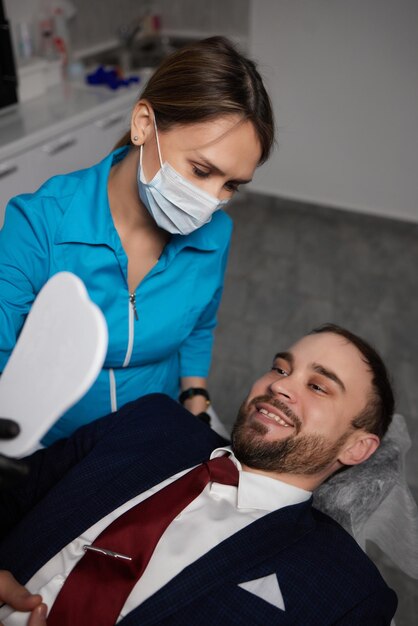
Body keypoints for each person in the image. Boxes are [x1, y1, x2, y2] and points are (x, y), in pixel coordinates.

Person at [0, 323, 397, 625]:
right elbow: (13, 489)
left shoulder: (348, 591)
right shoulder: (152, 420)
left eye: (318, 386)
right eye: (280, 368)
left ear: (356, 447)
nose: (280, 386)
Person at [0, 36, 274, 445]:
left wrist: (195, 398)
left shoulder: (215, 235)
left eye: (231, 185)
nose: (211, 202)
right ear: (144, 125)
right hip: (51, 442)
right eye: (201, 171)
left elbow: (200, 325)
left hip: (153, 427)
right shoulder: (39, 224)